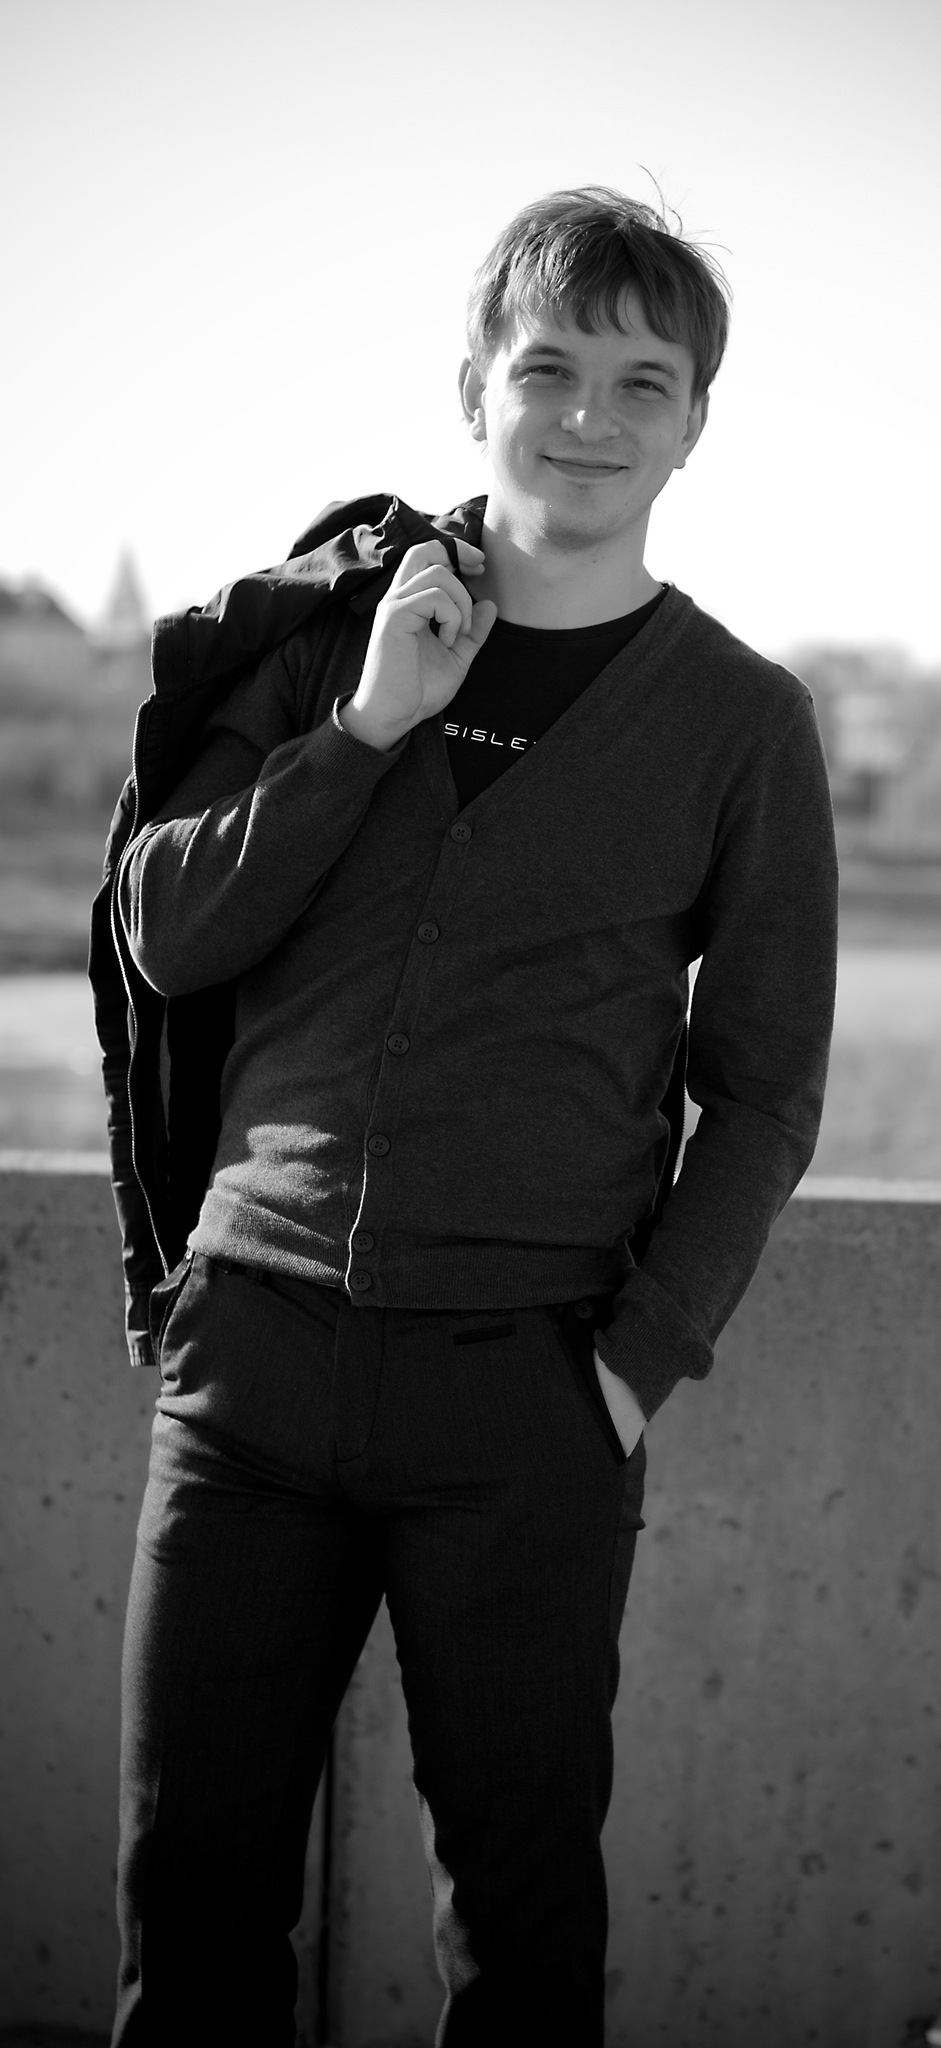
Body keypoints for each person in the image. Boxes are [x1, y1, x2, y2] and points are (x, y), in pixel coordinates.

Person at [100, 185, 838, 2045]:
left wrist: (629, 1369)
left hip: (525, 1395)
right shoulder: (321, 642)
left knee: (517, 1936)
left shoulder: (742, 721)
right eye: (548, 367)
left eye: (642, 381)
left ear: (695, 424)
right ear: (472, 390)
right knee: (191, 1915)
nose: (587, 415)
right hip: (248, 1372)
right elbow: (166, 935)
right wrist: (359, 735)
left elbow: (763, 1089)